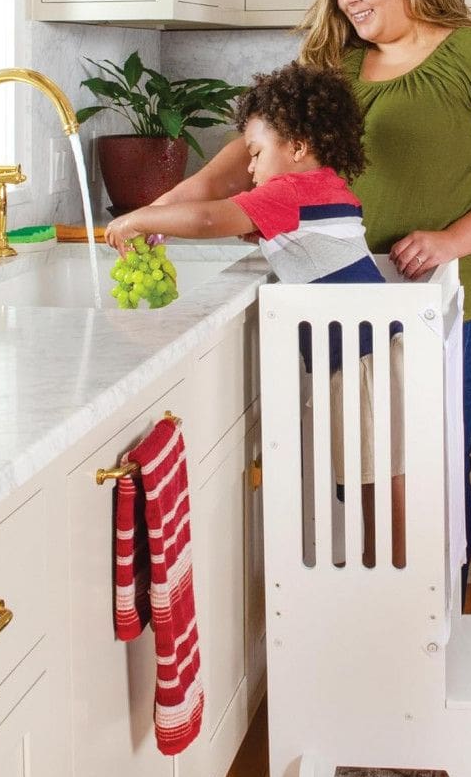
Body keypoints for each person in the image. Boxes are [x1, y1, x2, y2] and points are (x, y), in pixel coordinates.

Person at [124, 0, 471, 603]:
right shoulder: (334, 63)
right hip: (353, 312)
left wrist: (449, 240)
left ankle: (434, 619)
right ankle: (386, 610)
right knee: (369, 464)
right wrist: (160, 212)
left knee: (435, 460)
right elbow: (244, 158)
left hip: (456, 296)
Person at [105, 62, 406, 569]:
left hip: (359, 359)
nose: (249, 168)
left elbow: (208, 216)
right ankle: (387, 575)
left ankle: (386, 581)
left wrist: (139, 217)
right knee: (379, 476)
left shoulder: (289, 193)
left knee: (372, 480)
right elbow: (307, 242)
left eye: (256, 153)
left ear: (298, 148)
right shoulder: (325, 187)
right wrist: (266, 228)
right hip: (371, 350)